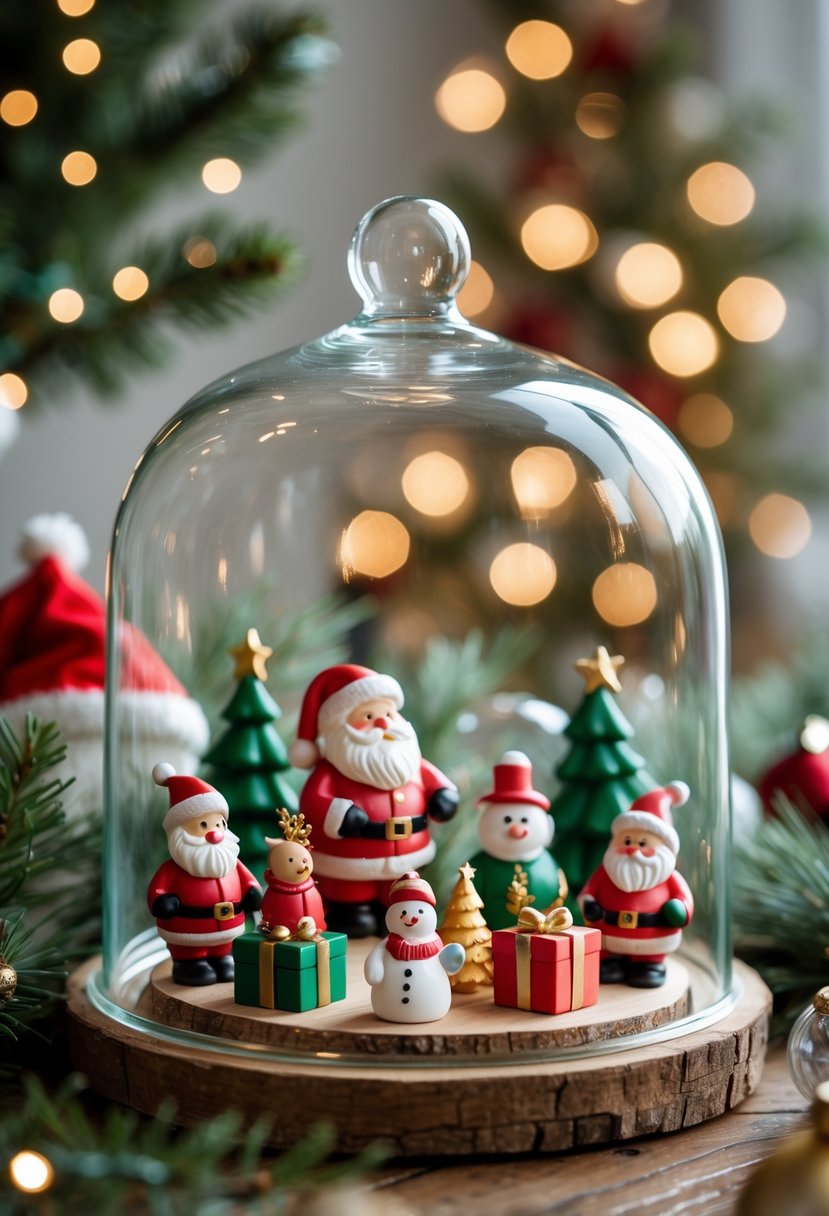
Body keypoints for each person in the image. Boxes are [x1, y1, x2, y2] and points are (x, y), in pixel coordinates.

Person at [289, 664, 458, 936]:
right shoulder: (332, 771)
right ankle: (353, 911)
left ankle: (387, 911)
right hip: (350, 861)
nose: (382, 723)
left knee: (398, 894)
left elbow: (431, 777)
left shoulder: (409, 760)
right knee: (353, 894)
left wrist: (442, 795)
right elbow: (314, 801)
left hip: (407, 857)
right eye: (368, 715)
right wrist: (341, 815)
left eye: (389, 713)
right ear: (339, 728)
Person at [146, 762, 262, 984]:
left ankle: (222, 959)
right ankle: (189, 963)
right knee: (190, 955)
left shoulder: (231, 862)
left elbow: (248, 881)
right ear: (180, 832)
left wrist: (252, 892)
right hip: (188, 930)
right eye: (203, 824)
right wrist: (162, 900)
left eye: (219, 824)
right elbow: (158, 888)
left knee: (224, 953)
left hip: (228, 927)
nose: (215, 833)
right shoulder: (173, 869)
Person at [578, 782, 694, 988]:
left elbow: (684, 899)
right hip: (609, 936)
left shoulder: (670, 877)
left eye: (642, 844)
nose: (632, 849)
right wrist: (589, 904)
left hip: (653, 939)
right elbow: (589, 892)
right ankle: (611, 962)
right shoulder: (606, 871)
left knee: (648, 966)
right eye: (627, 841)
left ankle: (649, 966)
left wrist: (679, 909)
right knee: (608, 961)